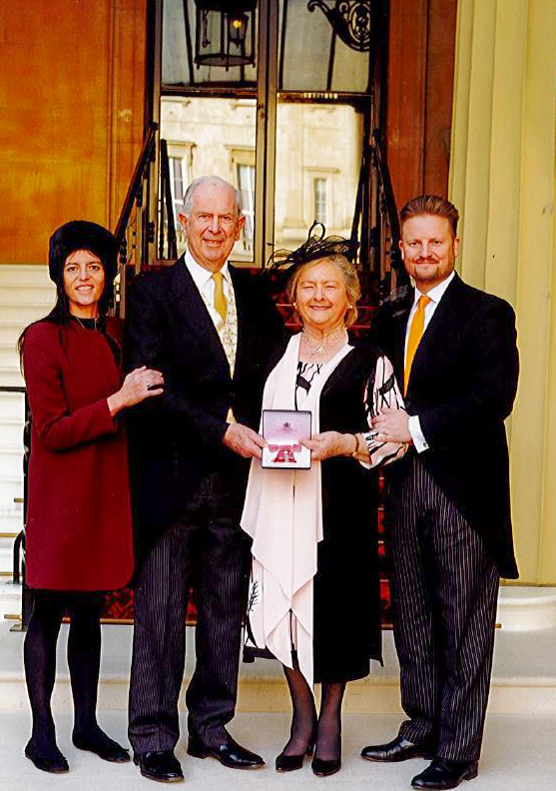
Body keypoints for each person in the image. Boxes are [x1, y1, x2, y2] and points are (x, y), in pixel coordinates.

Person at [125, 176, 284, 783]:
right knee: (161, 611)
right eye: (204, 216)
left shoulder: (253, 291)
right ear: (184, 222)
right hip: (169, 475)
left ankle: (212, 727)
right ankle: (153, 735)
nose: (216, 227)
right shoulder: (151, 292)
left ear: (239, 226)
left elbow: (273, 373)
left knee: (223, 607)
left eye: (227, 217)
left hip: (239, 479)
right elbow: (148, 386)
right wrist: (219, 429)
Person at [361, 196, 520, 790]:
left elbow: (492, 398)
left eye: (436, 241)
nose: (424, 252)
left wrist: (417, 428)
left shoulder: (487, 314)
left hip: (464, 493)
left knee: (465, 621)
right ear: (401, 249)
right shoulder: (389, 316)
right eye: (414, 242)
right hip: (402, 486)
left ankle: (458, 750)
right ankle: (421, 724)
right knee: (413, 615)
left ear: (455, 244)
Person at [240, 228, 406, 778]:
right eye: (307, 286)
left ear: (349, 299)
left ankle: (331, 716)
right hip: (277, 498)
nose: (316, 296)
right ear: (294, 296)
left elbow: (392, 437)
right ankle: (301, 715)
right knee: (283, 606)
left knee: (332, 608)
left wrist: (346, 444)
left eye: (328, 287)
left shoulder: (371, 361)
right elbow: (243, 417)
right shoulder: (270, 355)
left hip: (339, 505)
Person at [18, 221, 163, 774]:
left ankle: (85, 723)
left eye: (94, 267)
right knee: (47, 613)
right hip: (59, 497)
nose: (84, 277)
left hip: (104, 490)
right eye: (73, 267)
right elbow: (50, 429)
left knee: (90, 613)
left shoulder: (117, 335)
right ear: (59, 275)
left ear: (108, 276)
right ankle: (41, 731)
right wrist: (116, 402)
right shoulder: (41, 337)